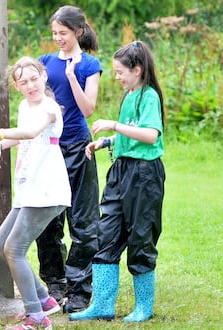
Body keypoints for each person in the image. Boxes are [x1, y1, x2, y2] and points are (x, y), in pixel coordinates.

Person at [0, 57, 72, 330]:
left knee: (15, 249)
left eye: (34, 78)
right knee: (1, 243)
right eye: (23, 81)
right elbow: (24, 136)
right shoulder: (25, 106)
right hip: (29, 190)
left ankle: (36, 317)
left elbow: (33, 131)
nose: (30, 85)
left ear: (44, 76)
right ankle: (45, 300)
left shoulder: (48, 107)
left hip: (47, 190)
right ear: (17, 86)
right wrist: (2, 145)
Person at [70, 40, 165, 323]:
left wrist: (113, 125)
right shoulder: (130, 95)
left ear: (137, 69)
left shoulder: (149, 96)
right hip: (121, 172)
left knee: (140, 238)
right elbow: (131, 134)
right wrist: (107, 141)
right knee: (106, 232)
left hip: (144, 176)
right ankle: (102, 305)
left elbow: (150, 135)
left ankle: (143, 307)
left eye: (121, 72)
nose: (118, 77)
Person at [35, 5, 101, 312]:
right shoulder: (45, 63)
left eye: (63, 33)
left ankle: (79, 291)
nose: (58, 38)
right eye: (54, 34)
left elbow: (88, 109)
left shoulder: (91, 64)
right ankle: (54, 285)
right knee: (48, 220)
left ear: (79, 31)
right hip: (49, 149)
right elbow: (34, 97)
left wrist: (73, 76)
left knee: (83, 224)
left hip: (78, 147)